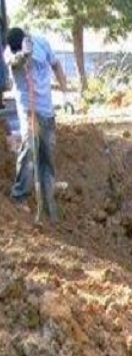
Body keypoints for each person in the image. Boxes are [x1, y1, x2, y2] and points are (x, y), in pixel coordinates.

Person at [4, 27, 67, 221]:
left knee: (47, 158)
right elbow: (14, 61)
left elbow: (56, 65)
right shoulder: (10, 52)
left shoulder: (42, 43)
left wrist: (65, 92)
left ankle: (49, 205)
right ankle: (19, 196)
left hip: (46, 111)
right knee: (29, 150)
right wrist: (23, 54)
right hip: (28, 110)